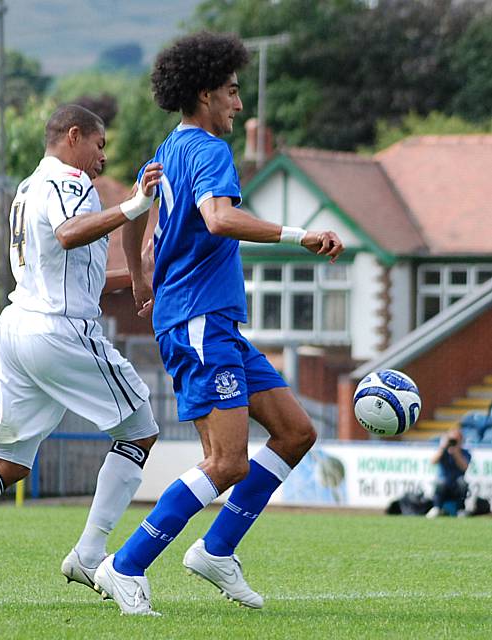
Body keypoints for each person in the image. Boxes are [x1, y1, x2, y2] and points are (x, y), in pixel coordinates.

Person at [93, 31, 344, 615]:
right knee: (226, 461)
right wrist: (298, 235)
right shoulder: (208, 150)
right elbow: (219, 219)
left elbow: (136, 214)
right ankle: (125, 566)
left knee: (296, 432)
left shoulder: (168, 148)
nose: (238, 104)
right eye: (231, 92)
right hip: (201, 320)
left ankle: (217, 549)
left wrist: (140, 279)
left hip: (209, 321)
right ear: (204, 94)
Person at [0, 104, 164, 608]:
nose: (103, 157)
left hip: (19, 327)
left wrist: (137, 276)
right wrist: (133, 206)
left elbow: (65, 271)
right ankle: (89, 553)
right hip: (58, 331)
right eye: (99, 145)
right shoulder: (70, 183)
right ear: (74, 136)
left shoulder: (26, 189)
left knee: (8, 463)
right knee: (140, 432)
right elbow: (67, 236)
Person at [426, 428, 471, 518]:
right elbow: (433, 461)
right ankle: (437, 508)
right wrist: (443, 447)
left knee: (462, 483)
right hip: (444, 483)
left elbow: (464, 467)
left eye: (456, 439)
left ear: (461, 440)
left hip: (457, 485)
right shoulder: (443, 451)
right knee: (440, 482)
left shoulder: (465, 453)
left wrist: (456, 452)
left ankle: (460, 510)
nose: (453, 441)